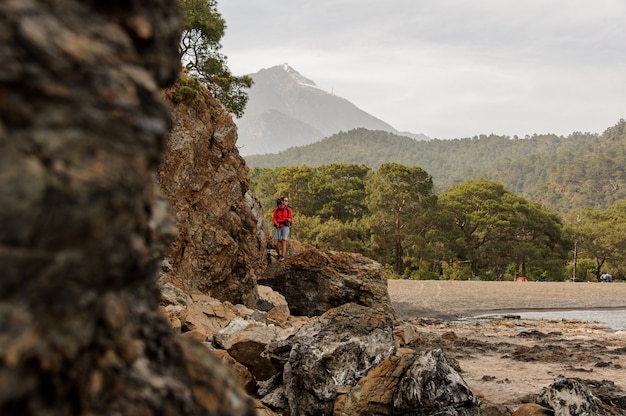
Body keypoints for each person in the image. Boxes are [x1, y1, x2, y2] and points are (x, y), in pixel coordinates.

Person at [273, 196, 293, 261]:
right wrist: (276, 223)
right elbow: (274, 218)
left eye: (287, 201)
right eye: (285, 201)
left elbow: (290, 219)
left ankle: (282, 256)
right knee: (275, 243)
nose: (287, 202)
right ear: (282, 201)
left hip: (285, 227)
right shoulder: (276, 209)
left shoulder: (288, 209)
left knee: (283, 241)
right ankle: (279, 254)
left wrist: (285, 220)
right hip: (278, 227)